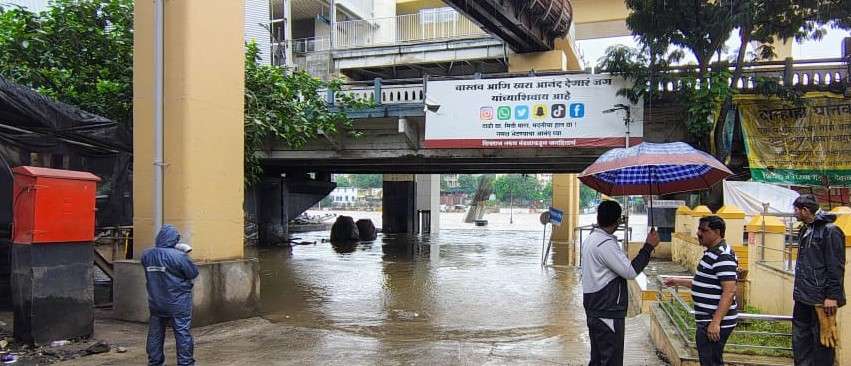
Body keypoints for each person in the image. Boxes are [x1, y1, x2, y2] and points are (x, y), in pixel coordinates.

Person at [581, 200, 659, 366]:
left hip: (595, 308)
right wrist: (648, 246)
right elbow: (630, 271)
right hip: (607, 310)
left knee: (597, 360)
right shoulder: (606, 244)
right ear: (617, 221)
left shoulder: (591, 239)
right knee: (610, 361)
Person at [663, 216, 738, 366]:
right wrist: (678, 281)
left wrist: (716, 322)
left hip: (713, 322)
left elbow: (729, 292)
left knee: (711, 362)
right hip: (706, 320)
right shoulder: (711, 253)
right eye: (699, 229)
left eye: (703, 230)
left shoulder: (722, 256)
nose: (698, 233)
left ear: (717, 232)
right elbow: (704, 284)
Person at [790, 194, 845, 365]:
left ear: (805, 210)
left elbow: (836, 266)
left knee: (823, 343)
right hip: (802, 297)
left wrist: (832, 296)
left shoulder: (830, 231)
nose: (794, 214)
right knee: (800, 342)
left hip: (821, 300)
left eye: (796, 210)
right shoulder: (805, 229)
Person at [141, 225, 199, 366]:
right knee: (182, 333)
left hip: (156, 302)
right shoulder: (179, 256)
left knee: (155, 334)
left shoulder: (146, 255)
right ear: (174, 239)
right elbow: (193, 273)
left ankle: (155, 362)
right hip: (178, 302)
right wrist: (183, 253)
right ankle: (185, 363)